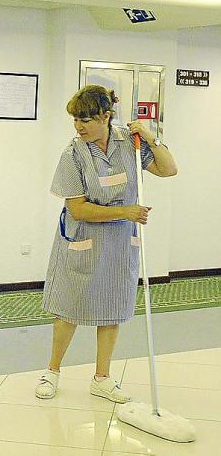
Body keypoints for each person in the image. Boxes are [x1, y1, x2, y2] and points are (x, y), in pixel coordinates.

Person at [35, 85, 177, 403]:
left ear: (106, 116)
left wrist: (150, 137)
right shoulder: (73, 154)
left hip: (119, 243)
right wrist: (126, 211)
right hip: (83, 238)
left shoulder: (130, 143)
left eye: (86, 120)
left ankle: (102, 378)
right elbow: (78, 209)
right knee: (69, 308)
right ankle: (52, 371)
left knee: (112, 308)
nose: (79, 126)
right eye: (75, 120)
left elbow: (169, 169)